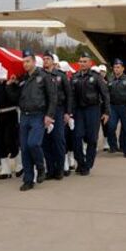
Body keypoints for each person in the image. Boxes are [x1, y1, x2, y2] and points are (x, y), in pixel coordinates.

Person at [6, 50, 56, 191]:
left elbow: (53, 97)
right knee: (25, 149)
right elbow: (15, 98)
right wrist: (10, 85)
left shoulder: (44, 76)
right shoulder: (22, 79)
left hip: (38, 115)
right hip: (24, 116)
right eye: (24, 61)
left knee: (33, 144)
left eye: (28, 61)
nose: (25, 64)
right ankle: (28, 180)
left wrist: (49, 115)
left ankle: (40, 167)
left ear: (34, 61)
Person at [71, 53, 109, 176]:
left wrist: (106, 112)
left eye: (84, 61)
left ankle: (88, 164)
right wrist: (69, 112)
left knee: (92, 139)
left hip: (93, 110)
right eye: (80, 61)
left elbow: (105, 95)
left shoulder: (96, 77)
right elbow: (71, 96)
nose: (82, 63)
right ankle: (81, 163)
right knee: (77, 137)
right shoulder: (75, 77)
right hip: (79, 111)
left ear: (90, 63)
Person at [42, 51, 72, 180]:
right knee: (46, 141)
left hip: (58, 110)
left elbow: (69, 95)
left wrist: (68, 112)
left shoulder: (61, 76)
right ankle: (50, 169)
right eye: (44, 59)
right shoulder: (41, 76)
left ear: (53, 61)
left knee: (58, 140)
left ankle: (60, 169)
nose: (45, 61)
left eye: (48, 59)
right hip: (45, 111)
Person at [106, 59, 126, 157]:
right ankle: (113, 146)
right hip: (113, 107)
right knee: (110, 127)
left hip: (125, 107)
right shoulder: (110, 79)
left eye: (118, 67)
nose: (116, 69)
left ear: (122, 68)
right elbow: (106, 94)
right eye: (115, 67)